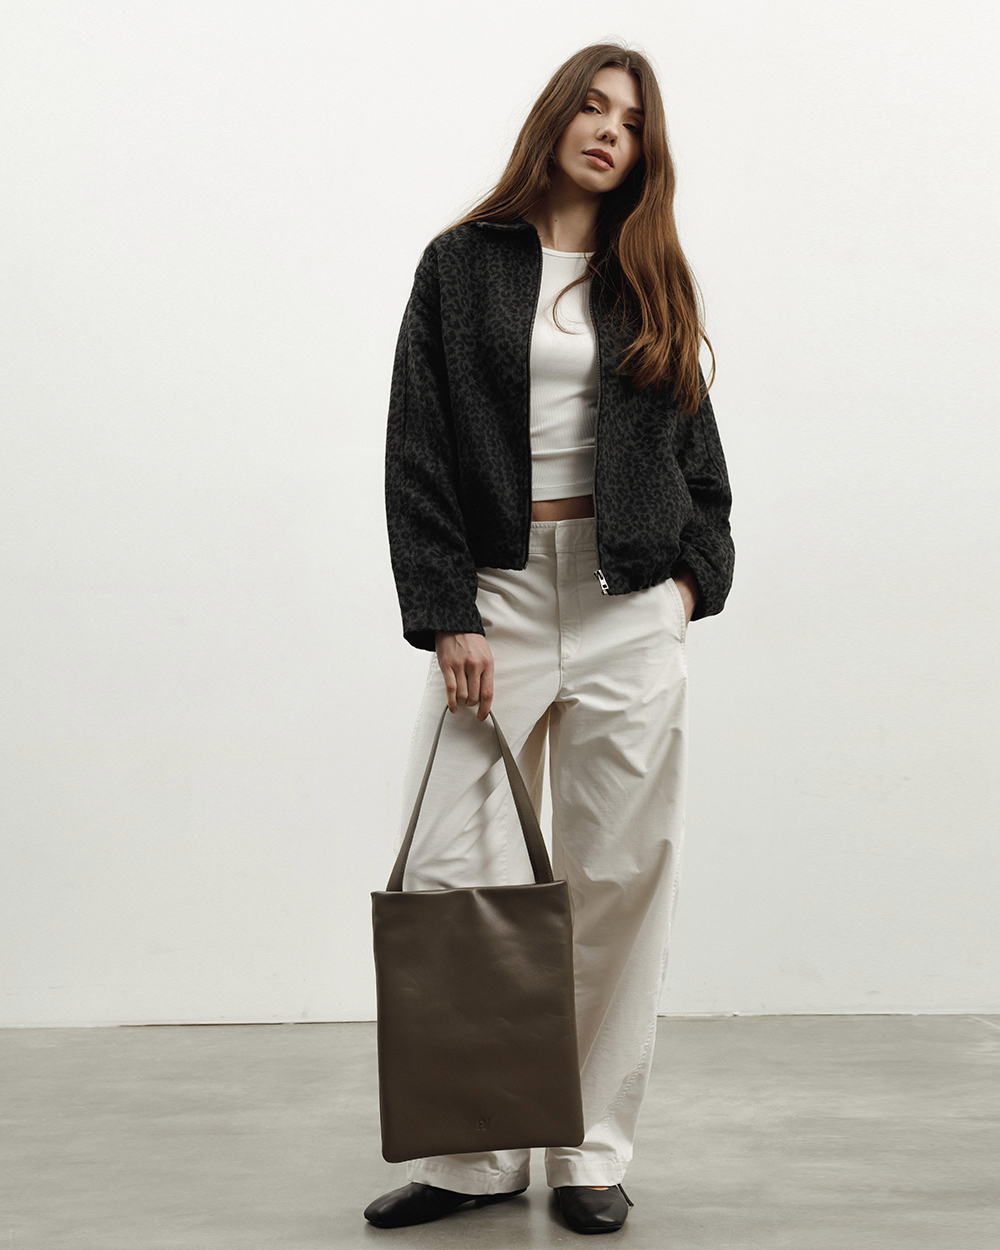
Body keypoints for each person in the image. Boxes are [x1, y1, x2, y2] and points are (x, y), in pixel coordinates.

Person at [366, 41, 735, 1237]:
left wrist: (687, 585)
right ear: (555, 118)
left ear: (643, 150)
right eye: (591, 105)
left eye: (630, 119)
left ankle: (589, 1152)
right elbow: (416, 445)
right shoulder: (461, 263)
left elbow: (699, 461)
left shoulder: (650, 274)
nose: (608, 129)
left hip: (629, 600)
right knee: (455, 870)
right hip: (502, 593)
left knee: (618, 876)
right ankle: (474, 1156)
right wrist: (448, 611)